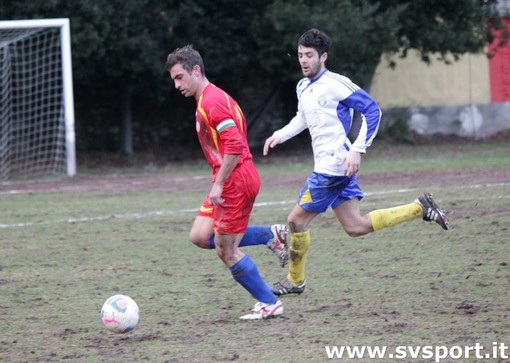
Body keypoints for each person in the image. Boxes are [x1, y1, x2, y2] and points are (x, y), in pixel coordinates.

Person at [263, 28, 449, 296]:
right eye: (301, 55)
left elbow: (373, 109)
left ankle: (295, 281)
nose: (303, 60)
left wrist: (358, 149)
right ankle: (419, 208)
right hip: (333, 169)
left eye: (309, 55)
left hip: (332, 170)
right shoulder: (302, 86)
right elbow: (302, 117)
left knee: (296, 222)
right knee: (355, 226)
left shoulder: (337, 84)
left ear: (323, 57)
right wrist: (280, 135)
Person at [166, 45, 285, 319]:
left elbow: (234, 144)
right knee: (200, 236)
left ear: (196, 70)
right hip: (229, 177)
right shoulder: (209, 98)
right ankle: (270, 235)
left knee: (226, 250)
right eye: (173, 79)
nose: (176, 84)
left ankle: (270, 302)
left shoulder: (212, 101)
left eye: (180, 77)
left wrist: (219, 183)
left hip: (234, 179)